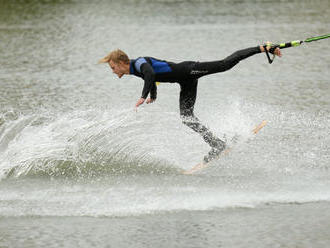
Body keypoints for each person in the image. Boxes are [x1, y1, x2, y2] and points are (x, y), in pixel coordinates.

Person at [99, 44, 281, 163]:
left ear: (122, 62)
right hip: (185, 81)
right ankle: (217, 144)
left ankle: (263, 48)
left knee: (224, 64)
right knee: (187, 117)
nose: (113, 71)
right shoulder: (136, 68)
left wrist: (143, 95)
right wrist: (153, 94)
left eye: (113, 67)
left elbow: (150, 74)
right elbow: (151, 75)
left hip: (189, 70)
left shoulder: (138, 63)